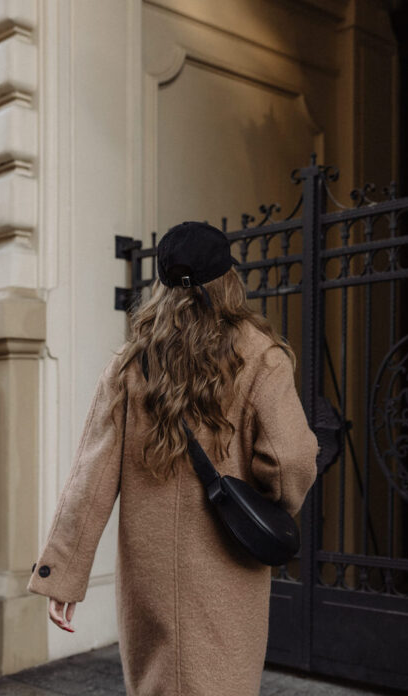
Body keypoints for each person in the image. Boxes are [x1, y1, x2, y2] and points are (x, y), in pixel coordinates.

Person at [27, 220, 320, 696]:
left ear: (162, 286)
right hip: (227, 568)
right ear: (229, 279)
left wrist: (61, 575)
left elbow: (91, 478)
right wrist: (270, 503)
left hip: (152, 572)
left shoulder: (130, 364)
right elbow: (291, 461)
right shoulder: (262, 358)